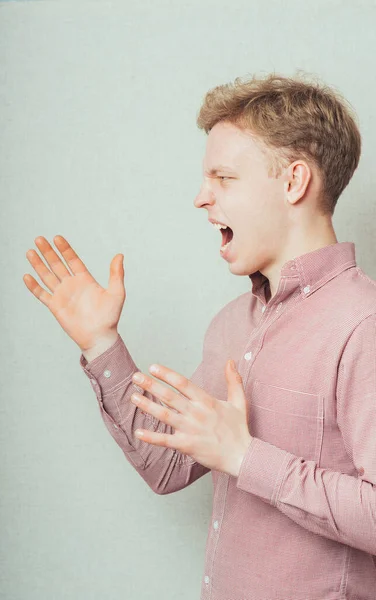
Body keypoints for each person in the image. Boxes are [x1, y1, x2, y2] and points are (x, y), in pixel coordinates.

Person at [23, 72, 376, 599]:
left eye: (224, 178)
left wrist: (244, 456)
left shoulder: (363, 325)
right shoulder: (233, 322)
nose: (200, 198)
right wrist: (100, 343)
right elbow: (167, 466)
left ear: (294, 182)